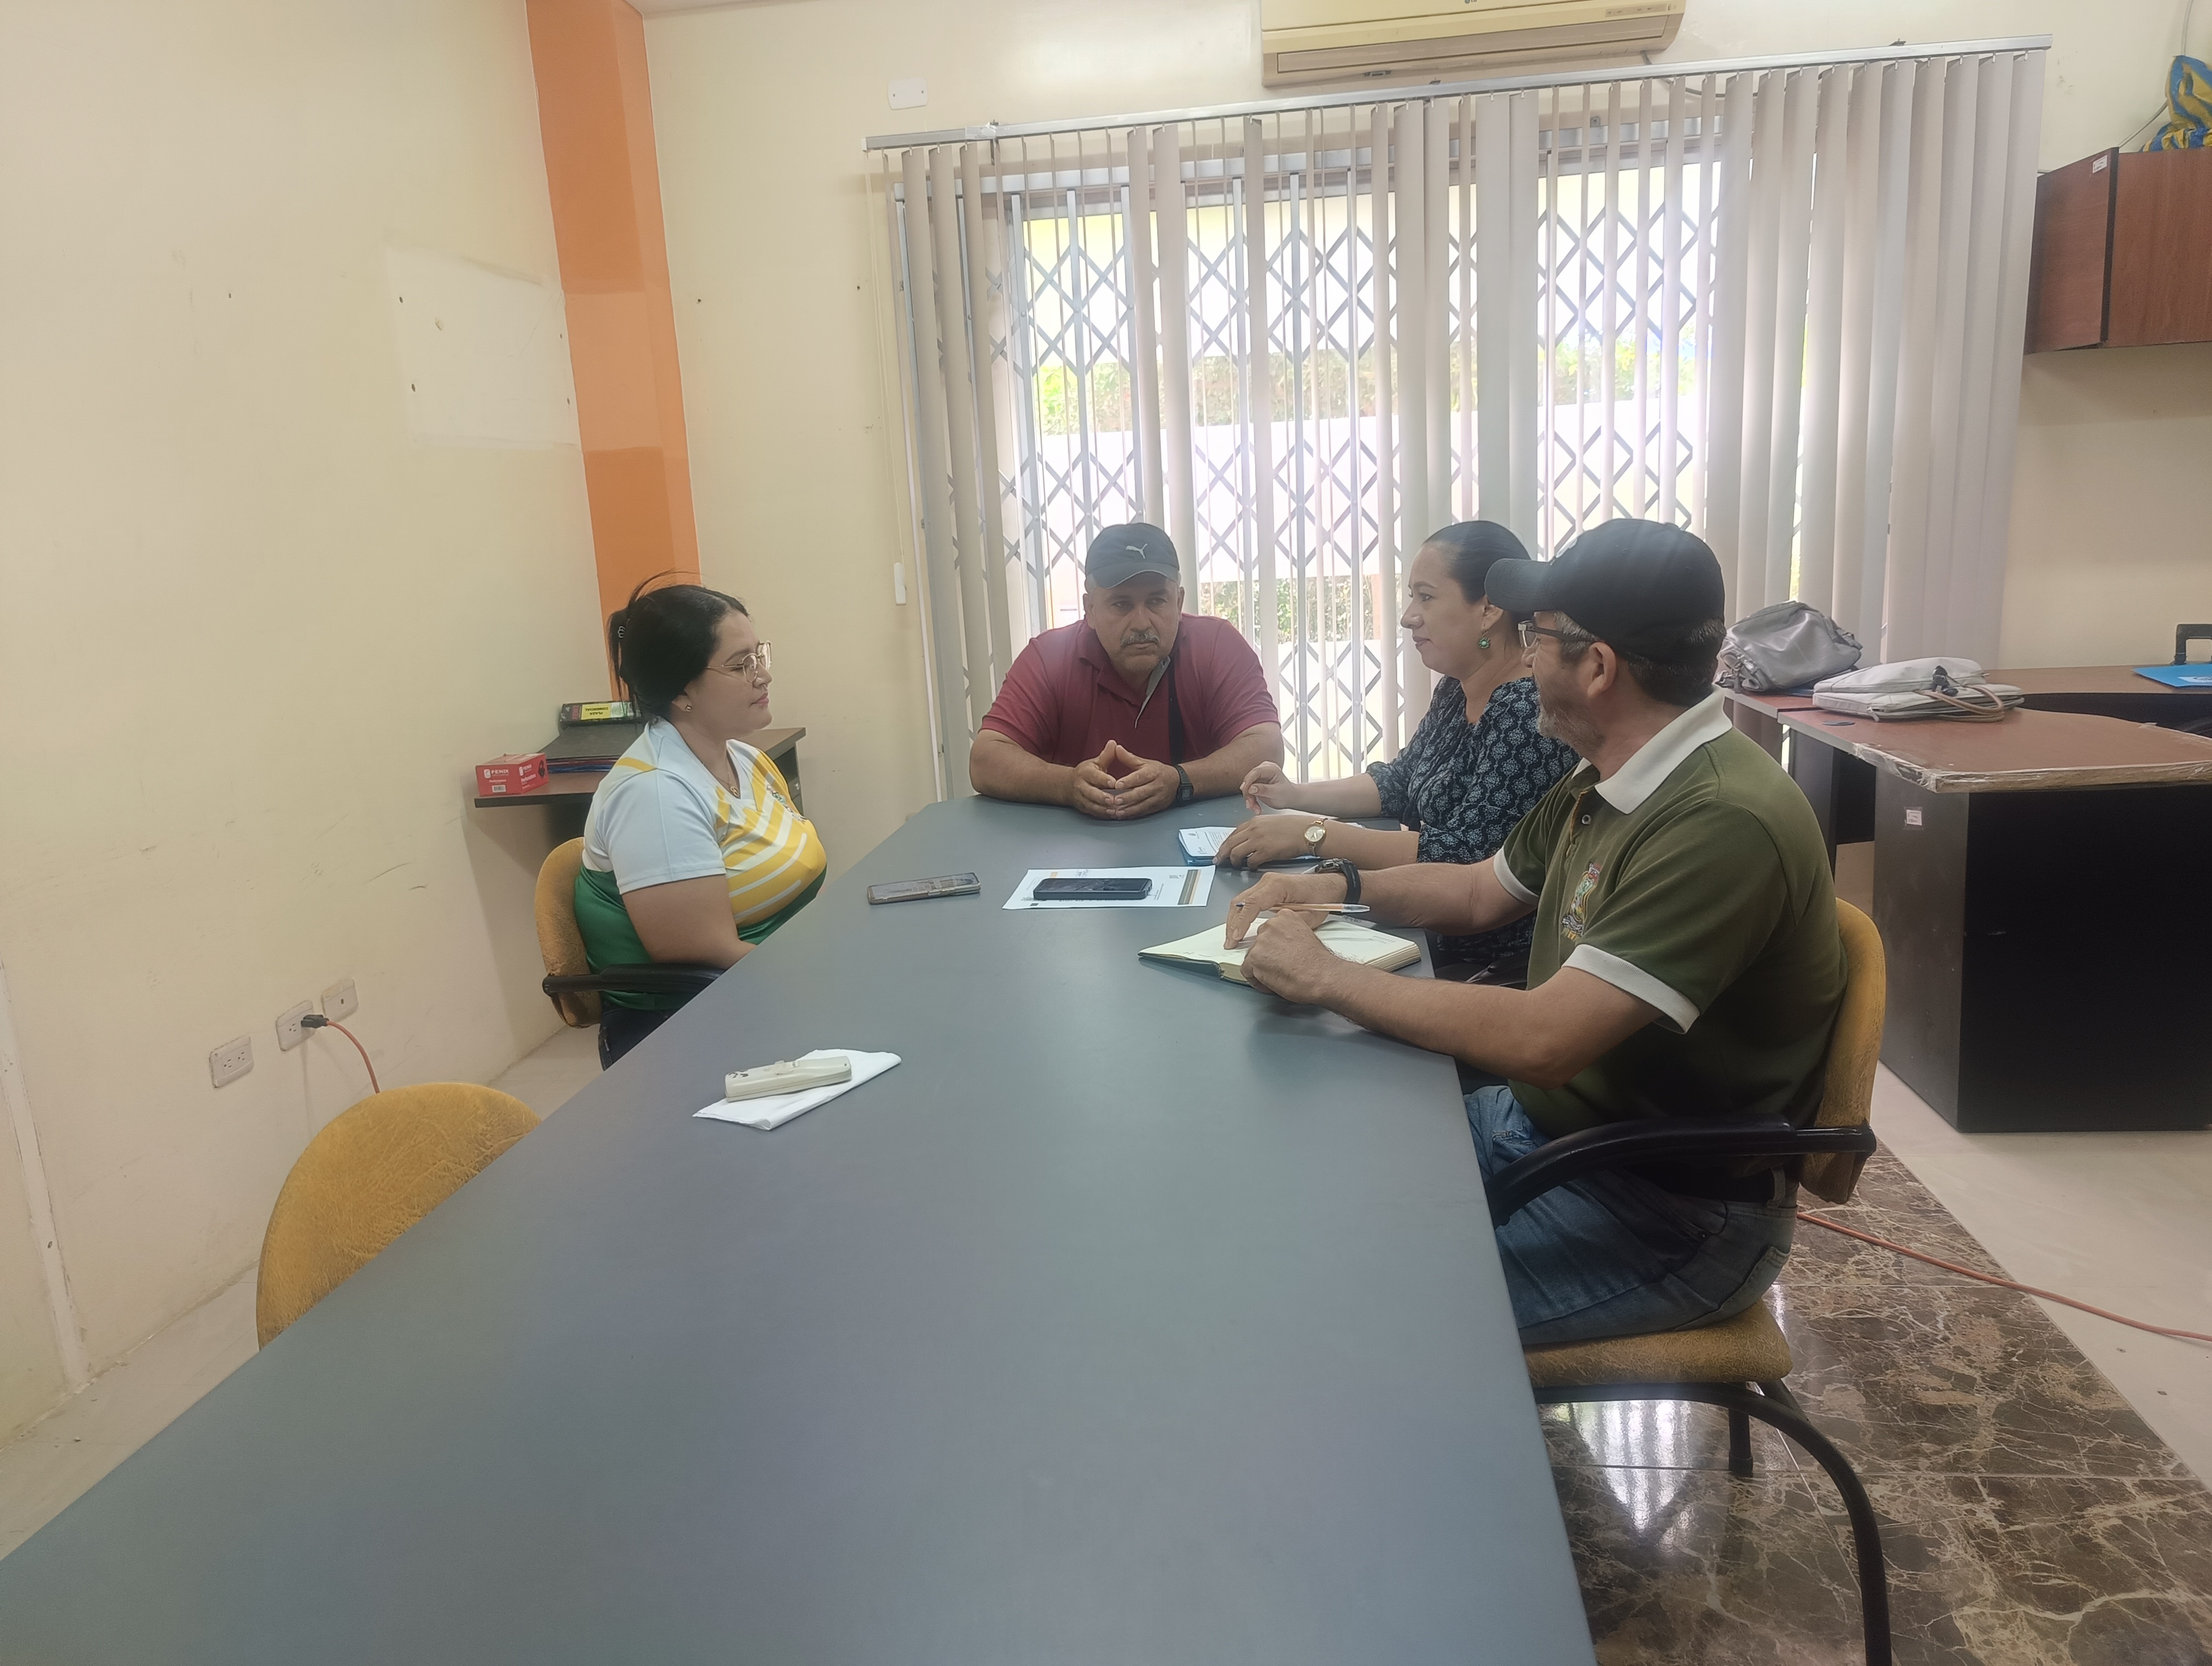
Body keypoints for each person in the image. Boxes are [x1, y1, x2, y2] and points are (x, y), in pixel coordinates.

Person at [1224, 521, 1845, 1345]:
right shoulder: (1608, 772)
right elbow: (1479, 890)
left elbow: (1545, 1039)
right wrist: (1335, 889)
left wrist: (1326, 976)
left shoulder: (1720, 820)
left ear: (1598, 667)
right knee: (1294, 1196)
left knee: (1342, 1317)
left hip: (1660, 1210)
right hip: (1548, 1133)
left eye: (1536, 639)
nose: (1522, 659)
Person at [1216, 521, 1578, 982]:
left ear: (1488, 610)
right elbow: (1401, 781)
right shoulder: (1458, 687)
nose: (1408, 617)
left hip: (1483, 962)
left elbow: (1463, 858)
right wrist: (1293, 795)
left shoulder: (1525, 712)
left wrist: (1313, 834)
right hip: (1425, 931)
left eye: (1426, 597)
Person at [577, 581, 827, 1067]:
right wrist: (824, 982)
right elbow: (705, 954)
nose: (764, 676)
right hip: (690, 1025)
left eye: (759, 656)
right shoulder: (656, 794)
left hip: (764, 987)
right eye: (740, 665)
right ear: (681, 691)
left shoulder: (746, 760)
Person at [970, 523, 1283, 819]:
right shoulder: (1049, 658)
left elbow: (1266, 748)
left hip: (1200, 842)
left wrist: (1181, 781)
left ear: (1178, 603)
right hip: (1074, 845)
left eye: (1157, 601)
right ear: (1090, 610)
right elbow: (986, 759)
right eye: (1121, 604)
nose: (1141, 623)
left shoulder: (1217, 645)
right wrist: (1066, 785)